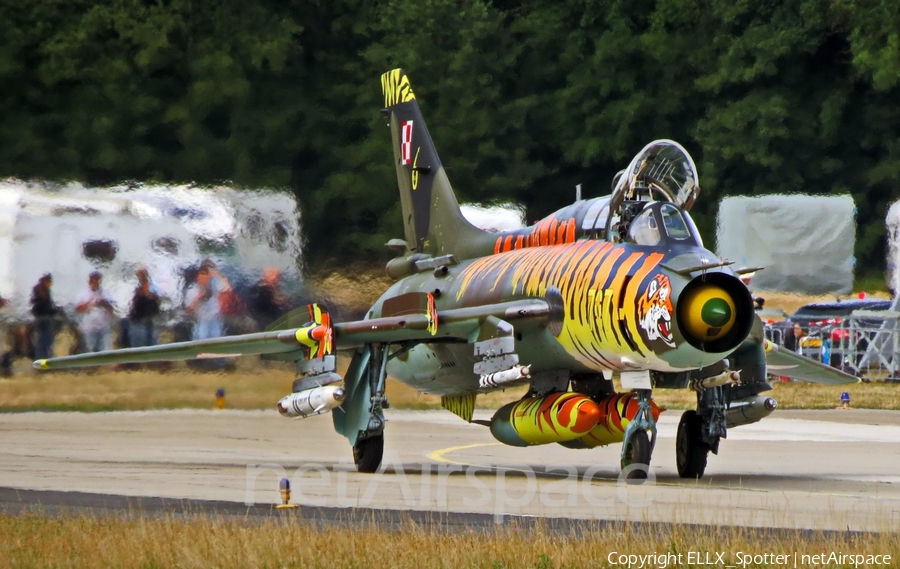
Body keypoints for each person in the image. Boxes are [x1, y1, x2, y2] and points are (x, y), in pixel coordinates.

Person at [185, 260, 231, 340]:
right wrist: (198, 298)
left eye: (207, 274)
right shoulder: (193, 290)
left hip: (216, 319)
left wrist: (217, 276)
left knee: (217, 334)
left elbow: (228, 293)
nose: (204, 277)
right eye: (202, 274)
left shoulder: (217, 286)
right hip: (200, 321)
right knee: (201, 333)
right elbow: (188, 310)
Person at [75, 271, 115, 353]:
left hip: (103, 327)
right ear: (89, 281)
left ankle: (102, 365)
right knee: (90, 349)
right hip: (89, 327)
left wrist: (103, 304)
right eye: (93, 280)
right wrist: (90, 303)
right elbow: (78, 308)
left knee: (104, 350)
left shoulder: (105, 293)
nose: (94, 282)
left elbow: (111, 308)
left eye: (97, 280)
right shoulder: (83, 294)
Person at [128, 267, 161, 347]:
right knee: (138, 342)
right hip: (138, 318)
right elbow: (132, 303)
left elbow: (157, 298)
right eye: (139, 275)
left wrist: (146, 293)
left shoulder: (153, 286)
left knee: (151, 341)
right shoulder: (136, 288)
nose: (140, 277)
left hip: (150, 317)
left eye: (142, 274)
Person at [30, 273, 60, 360]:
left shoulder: (37, 291)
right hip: (45, 320)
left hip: (39, 319)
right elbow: (46, 309)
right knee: (46, 342)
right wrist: (56, 310)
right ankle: (44, 361)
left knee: (42, 342)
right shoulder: (44, 292)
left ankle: (41, 360)